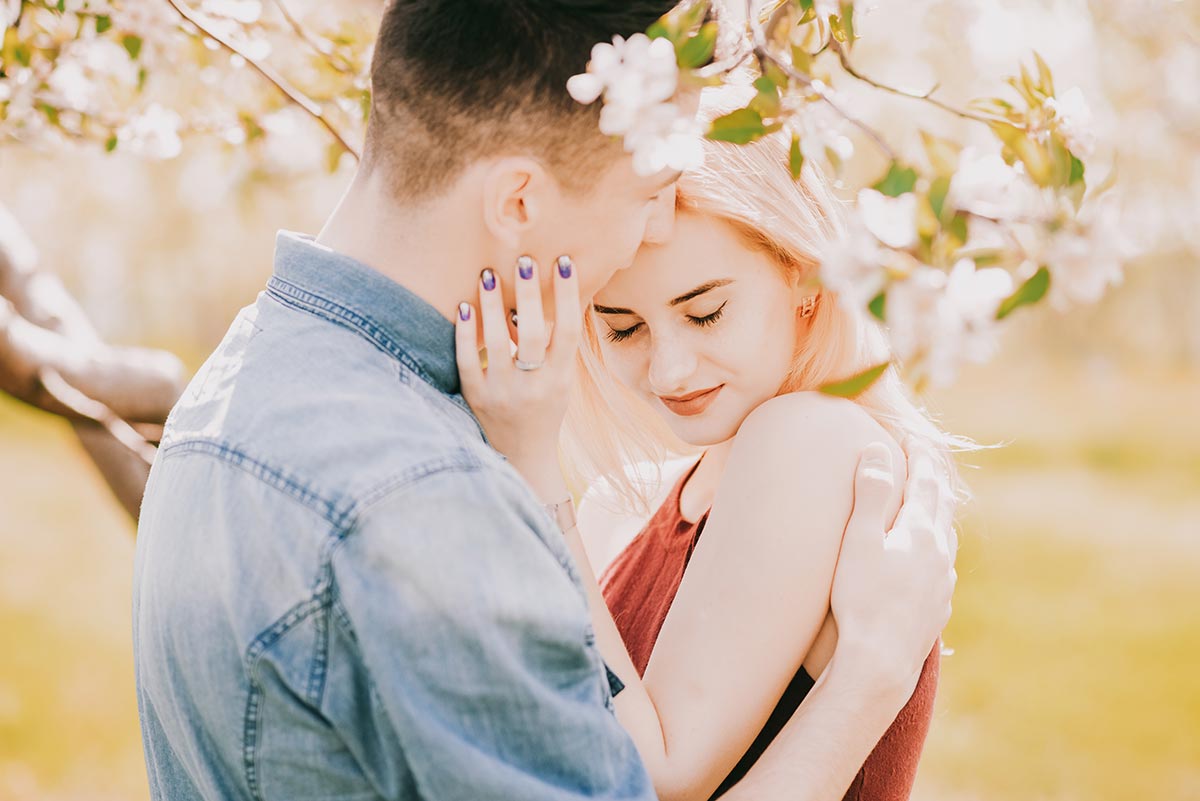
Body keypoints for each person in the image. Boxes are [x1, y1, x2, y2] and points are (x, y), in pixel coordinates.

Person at [132, 3, 956, 799]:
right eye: (647, 192)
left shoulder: (232, 393)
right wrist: (868, 677)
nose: (655, 224)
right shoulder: (416, 499)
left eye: (705, 309)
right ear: (520, 201)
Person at [456, 86, 963, 801]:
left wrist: (531, 463)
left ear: (805, 280)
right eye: (623, 327)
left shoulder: (814, 440)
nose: (668, 369)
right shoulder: (611, 509)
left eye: (706, 312)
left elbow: (654, 777)